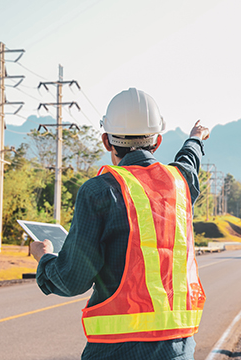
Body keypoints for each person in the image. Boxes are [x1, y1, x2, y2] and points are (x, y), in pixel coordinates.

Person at [31, 87, 210, 360]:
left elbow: (72, 280)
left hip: (116, 351)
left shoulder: (100, 191)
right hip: (178, 350)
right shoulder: (180, 183)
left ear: (106, 141)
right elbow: (189, 162)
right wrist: (195, 138)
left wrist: (44, 259)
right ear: (158, 141)